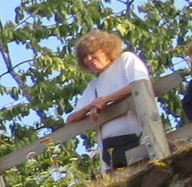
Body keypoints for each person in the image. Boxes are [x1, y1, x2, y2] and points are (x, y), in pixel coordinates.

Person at [61, 29, 157, 172]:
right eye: (84, 56)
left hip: (139, 137)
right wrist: (90, 106)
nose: (89, 59)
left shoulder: (125, 60)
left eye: (92, 53)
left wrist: (107, 99)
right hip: (110, 150)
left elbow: (140, 84)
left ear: (106, 49)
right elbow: (71, 119)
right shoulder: (94, 85)